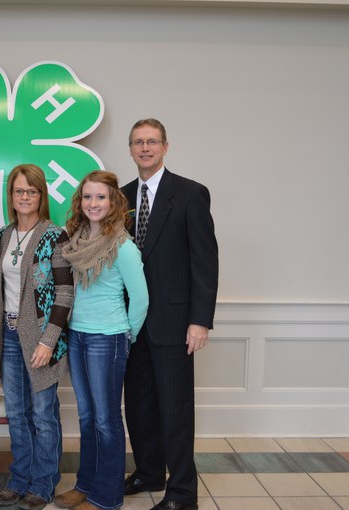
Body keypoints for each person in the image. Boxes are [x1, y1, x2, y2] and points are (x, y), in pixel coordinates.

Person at [121, 119, 218, 510]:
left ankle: (181, 492)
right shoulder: (121, 196)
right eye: (138, 142)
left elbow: (205, 262)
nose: (145, 148)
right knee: (139, 405)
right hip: (130, 322)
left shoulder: (191, 194)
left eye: (152, 142)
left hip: (175, 324)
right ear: (130, 148)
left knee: (175, 410)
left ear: (165, 146)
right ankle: (148, 471)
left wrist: (200, 320)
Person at [54, 170, 149, 510]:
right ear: (80, 202)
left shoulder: (122, 246)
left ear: (113, 203)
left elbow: (140, 298)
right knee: (86, 416)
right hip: (77, 335)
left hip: (107, 339)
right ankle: (85, 485)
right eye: (87, 197)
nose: (93, 203)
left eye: (101, 197)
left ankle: (107, 496)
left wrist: (128, 335)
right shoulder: (75, 239)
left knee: (107, 419)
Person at [0, 164, 74, 510]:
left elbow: (65, 294)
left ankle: (43, 483)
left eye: (32, 191)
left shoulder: (56, 235)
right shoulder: (3, 234)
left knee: (43, 413)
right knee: (16, 412)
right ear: (11, 196)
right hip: (8, 337)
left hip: (41, 339)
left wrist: (48, 341)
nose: (25, 197)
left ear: (42, 196)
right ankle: (19, 478)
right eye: (19, 191)